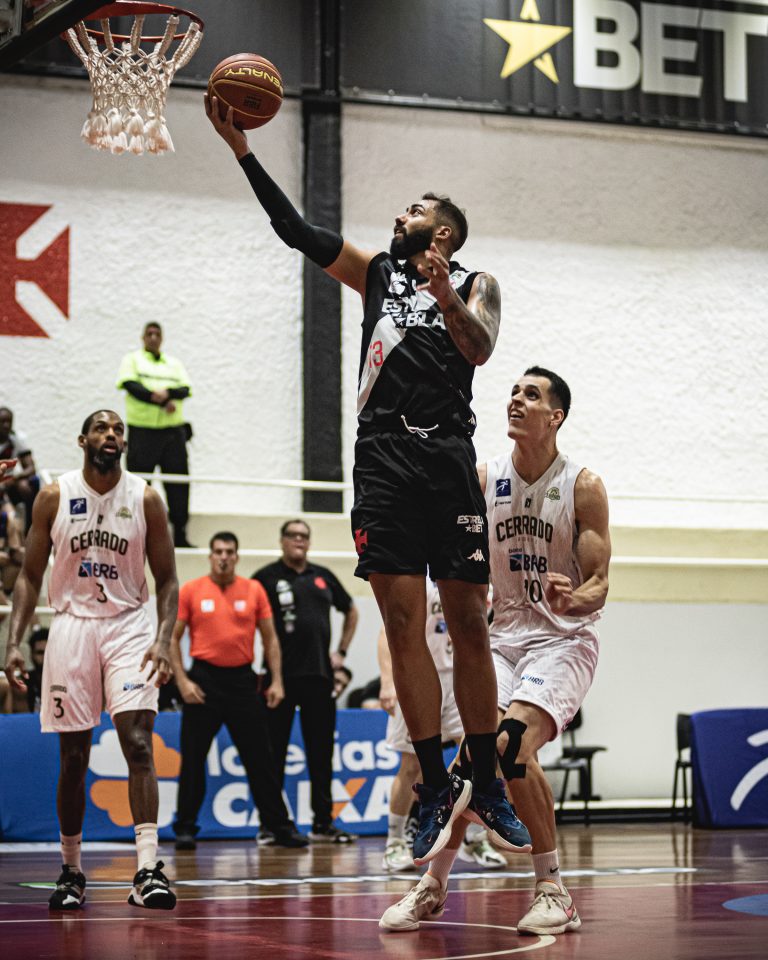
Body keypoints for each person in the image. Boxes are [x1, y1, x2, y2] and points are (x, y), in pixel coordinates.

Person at [206, 98, 531, 865]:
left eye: (413, 209)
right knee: (402, 622)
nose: (398, 215)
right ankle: (432, 786)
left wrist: (444, 292)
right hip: (382, 459)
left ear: (442, 233)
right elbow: (295, 230)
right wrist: (241, 149)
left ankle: (485, 780)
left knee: (469, 621)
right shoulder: (377, 272)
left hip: (447, 454)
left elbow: (481, 348)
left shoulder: (477, 282)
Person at [379, 367, 611, 934]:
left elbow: (600, 583)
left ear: (555, 416)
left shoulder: (581, 486)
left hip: (563, 640)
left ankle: (553, 890)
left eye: (531, 395)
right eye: (513, 392)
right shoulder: (484, 479)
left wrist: (574, 597)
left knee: (509, 746)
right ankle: (433, 885)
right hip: (501, 640)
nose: (516, 400)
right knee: (471, 759)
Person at [3, 409, 179, 912]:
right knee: (74, 757)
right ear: (83, 440)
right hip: (72, 625)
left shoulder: (145, 498)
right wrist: (14, 643)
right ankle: (71, 870)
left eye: (118, 429)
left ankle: (147, 870)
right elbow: (28, 577)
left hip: (128, 624)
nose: (111, 435)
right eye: (101, 428)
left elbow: (168, 579)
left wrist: (163, 639)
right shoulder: (54, 496)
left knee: (139, 744)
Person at [168, 531, 308, 850]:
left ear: (236, 556)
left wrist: (277, 681)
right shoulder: (191, 590)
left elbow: (270, 639)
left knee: (261, 758)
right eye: (218, 551)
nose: (223, 557)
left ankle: (278, 825)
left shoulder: (253, 589)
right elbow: (172, 638)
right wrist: (183, 682)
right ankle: (186, 827)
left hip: (243, 682)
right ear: (210, 556)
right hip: (203, 681)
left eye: (229, 552)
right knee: (193, 759)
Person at [379, 580, 506, 873]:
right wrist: (387, 682)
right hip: (420, 677)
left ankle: (475, 840)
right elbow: (386, 634)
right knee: (411, 764)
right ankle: (394, 842)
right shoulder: (417, 581)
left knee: (480, 757)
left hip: (461, 677)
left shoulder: (474, 579)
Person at [252, 519, 359, 844]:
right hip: (278, 680)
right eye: (293, 535)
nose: (298, 540)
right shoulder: (265, 578)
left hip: (319, 677)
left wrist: (341, 652)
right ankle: (271, 825)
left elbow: (351, 610)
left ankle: (322, 824)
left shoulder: (323, 576)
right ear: (282, 541)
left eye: (304, 536)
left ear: (309, 543)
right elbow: (246, 620)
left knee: (321, 754)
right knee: (273, 755)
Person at [116, 322, 194, 547]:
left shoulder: (174, 364)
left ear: (162, 338)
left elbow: (185, 389)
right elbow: (131, 385)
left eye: (157, 334)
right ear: (142, 337)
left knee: (178, 484)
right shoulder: (132, 360)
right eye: (149, 334)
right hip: (142, 433)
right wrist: (158, 399)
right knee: (137, 485)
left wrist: (167, 393)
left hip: (172, 433)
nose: (153, 337)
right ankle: (133, 534)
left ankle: (180, 535)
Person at [0, 407, 40, 531]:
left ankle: (30, 527)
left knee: (25, 486)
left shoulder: (16, 440)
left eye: (9, 421)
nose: (6, 425)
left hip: (7, 483)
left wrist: (14, 478)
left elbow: (31, 468)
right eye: (2, 421)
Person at [25, 625, 48, 712]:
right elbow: (23, 718)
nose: (45, 657)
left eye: (48, 652)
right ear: (31, 655)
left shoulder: (66, 682)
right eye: (40, 652)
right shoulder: (23, 683)